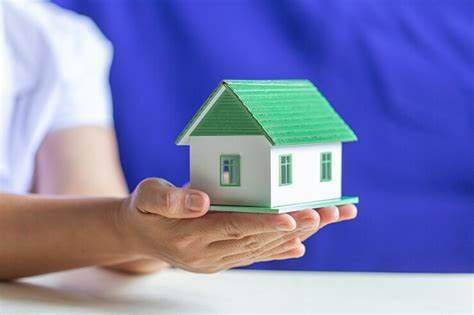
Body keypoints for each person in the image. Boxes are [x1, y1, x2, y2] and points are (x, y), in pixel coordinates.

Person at [0, 1, 357, 280]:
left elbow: (85, 211)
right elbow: (105, 223)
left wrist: (156, 235)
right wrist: (126, 228)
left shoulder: (60, 43)